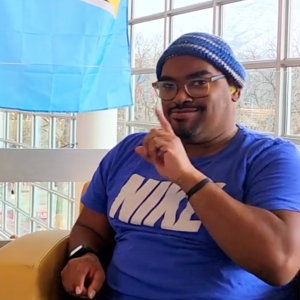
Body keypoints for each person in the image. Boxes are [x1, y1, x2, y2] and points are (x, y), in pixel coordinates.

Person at [61, 32, 300, 300]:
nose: (180, 97)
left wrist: (187, 176)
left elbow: (280, 264)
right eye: (168, 86)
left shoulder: (270, 157)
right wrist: (83, 254)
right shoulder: (130, 152)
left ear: (235, 90)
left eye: (199, 83)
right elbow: (89, 228)